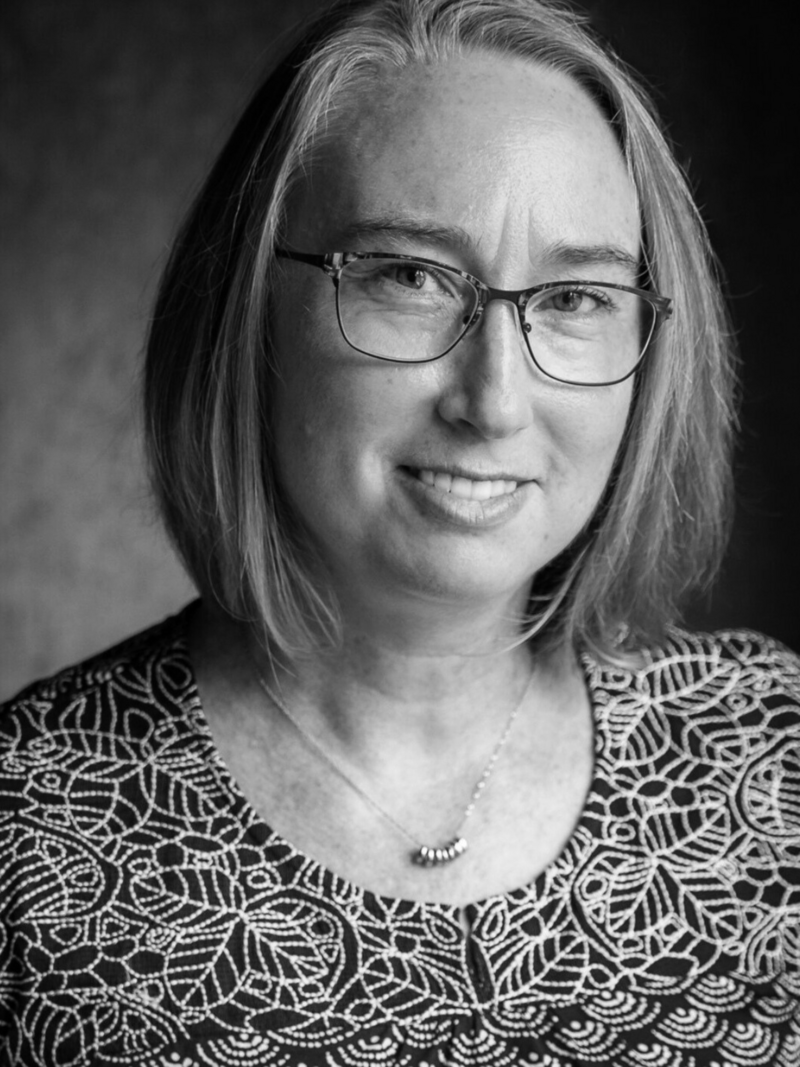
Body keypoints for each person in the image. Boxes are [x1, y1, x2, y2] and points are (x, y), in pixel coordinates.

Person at [1, 0, 799, 1063]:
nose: (495, 399)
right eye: (409, 277)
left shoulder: (770, 753)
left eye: (572, 297)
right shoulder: (29, 825)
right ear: (250, 312)